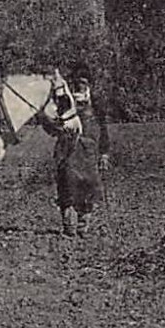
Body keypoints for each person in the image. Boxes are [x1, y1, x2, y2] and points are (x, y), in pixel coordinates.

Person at [53, 65, 111, 236]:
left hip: (90, 150)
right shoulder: (64, 101)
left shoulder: (96, 102)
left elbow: (103, 128)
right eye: (78, 82)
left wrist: (104, 153)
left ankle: (83, 225)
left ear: (89, 83)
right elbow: (54, 122)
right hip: (68, 148)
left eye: (84, 82)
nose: (80, 86)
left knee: (89, 186)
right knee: (67, 185)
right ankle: (68, 224)